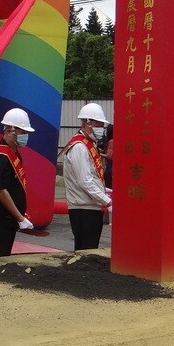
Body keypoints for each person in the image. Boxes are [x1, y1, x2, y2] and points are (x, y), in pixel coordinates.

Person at [0, 108, 35, 257]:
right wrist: (20, 218)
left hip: (6, 220)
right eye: (23, 132)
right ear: (10, 131)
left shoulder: (13, 153)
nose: (26, 136)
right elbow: (0, 191)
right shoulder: (1, 157)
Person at [63, 103, 111, 250]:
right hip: (83, 209)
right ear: (86, 123)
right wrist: (107, 201)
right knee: (85, 251)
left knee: (89, 249)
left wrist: (106, 192)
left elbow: (93, 177)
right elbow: (85, 181)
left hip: (91, 207)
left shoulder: (89, 144)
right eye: (98, 125)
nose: (101, 129)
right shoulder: (79, 147)